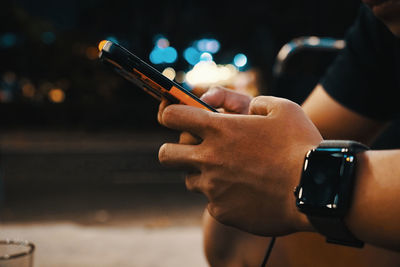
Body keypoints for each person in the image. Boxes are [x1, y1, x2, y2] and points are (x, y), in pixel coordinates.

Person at [158, 1, 400, 266]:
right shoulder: (383, 22)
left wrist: (295, 175)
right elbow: (309, 136)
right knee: (236, 232)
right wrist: (252, 142)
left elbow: (295, 164)